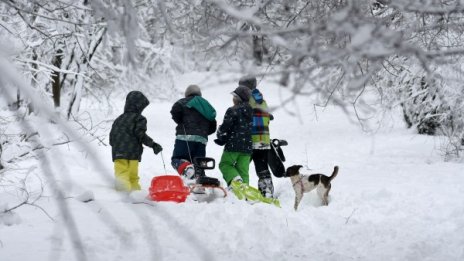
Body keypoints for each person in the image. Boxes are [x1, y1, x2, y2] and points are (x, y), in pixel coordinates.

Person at [109, 91, 163, 191]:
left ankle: (123, 193)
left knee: (121, 174)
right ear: (138, 106)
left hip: (118, 153)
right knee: (133, 176)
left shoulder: (118, 119)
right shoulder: (139, 118)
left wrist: (117, 146)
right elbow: (140, 135)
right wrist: (153, 145)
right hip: (133, 154)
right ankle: (135, 193)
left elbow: (111, 138)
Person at [170, 85, 217, 183]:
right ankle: (201, 184)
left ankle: (187, 168)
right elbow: (213, 125)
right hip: (201, 141)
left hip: (184, 138)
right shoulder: (207, 105)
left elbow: (174, 111)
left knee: (176, 159)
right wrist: (203, 133)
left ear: (187, 93)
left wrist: (180, 120)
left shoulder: (182, 102)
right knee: (199, 165)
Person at [239, 76, 275, 198]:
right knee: (262, 166)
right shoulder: (263, 102)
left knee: (240, 166)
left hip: (248, 139)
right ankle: (267, 191)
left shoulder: (244, 100)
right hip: (263, 139)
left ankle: (238, 188)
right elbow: (267, 120)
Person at [215, 86, 253, 187]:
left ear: (238, 98)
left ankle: (235, 180)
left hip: (233, 144)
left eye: (234, 96)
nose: (233, 99)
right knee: (243, 170)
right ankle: (245, 194)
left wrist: (220, 134)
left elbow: (225, 128)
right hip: (247, 146)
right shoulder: (252, 111)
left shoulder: (233, 110)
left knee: (225, 164)